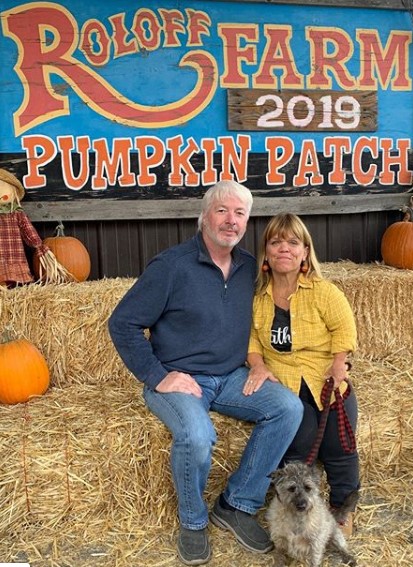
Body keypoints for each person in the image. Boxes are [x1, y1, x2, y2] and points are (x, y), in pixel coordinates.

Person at [108, 182, 303, 565]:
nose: (231, 221)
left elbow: (292, 292)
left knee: (288, 408)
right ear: (205, 216)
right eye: (222, 211)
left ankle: (236, 503)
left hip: (231, 376)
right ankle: (193, 521)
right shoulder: (172, 266)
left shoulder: (250, 266)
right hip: (178, 379)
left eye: (240, 214)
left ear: (247, 221)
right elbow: (123, 323)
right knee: (197, 436)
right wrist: (158, 376)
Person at [246, 213, 359, 536]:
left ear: (305, 252)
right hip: (285, 386)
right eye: (276, 242)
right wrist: (258, 364)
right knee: (298, 451)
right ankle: (299, 517)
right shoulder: (258, 300)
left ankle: (343, 510)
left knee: (341, 446)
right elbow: (252, 340)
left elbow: (344, 328)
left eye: (293, 242)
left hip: (324, 380)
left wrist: (340, 364)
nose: (285, 248)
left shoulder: (324, 292)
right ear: (266, 253)